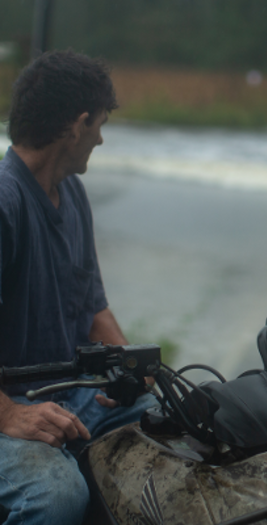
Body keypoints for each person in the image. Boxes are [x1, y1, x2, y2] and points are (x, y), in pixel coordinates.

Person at [0, 50, 157, 525]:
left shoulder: (71, 192)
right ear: (78, 124)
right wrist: (9, 416)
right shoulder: (6, 204)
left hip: (70, 394)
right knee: (58, 498)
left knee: (168, 422)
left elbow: (94, 312)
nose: (101, 139)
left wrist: (135, 369)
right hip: (9, 407)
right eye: (100, 126)